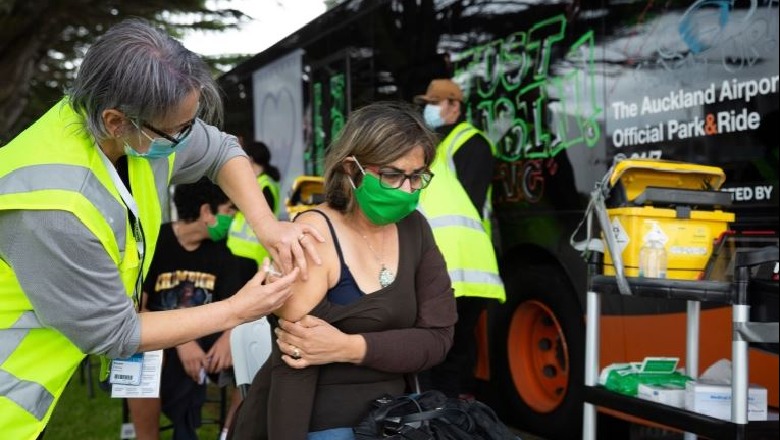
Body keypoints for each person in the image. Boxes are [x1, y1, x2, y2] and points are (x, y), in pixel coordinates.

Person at [0, 18, 322, 440]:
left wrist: (268, 226)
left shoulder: (128, 127)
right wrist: (238, 311)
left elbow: (222, 149)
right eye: (176, 130)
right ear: (115, 120)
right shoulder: (55, 209)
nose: (187, 138)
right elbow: (117, 333)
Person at [229, 101, 458, 440]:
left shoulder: (415, 228)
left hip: (398, 420)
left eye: (417, 177)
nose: (407, 190)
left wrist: (345, 346)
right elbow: (294, 364)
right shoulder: (313, 234)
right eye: (393, 176)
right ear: (352, 169)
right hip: (324, 422)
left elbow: (438, 339)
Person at [127, 178, 244, 440]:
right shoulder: (155, 244)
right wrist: (181, 340)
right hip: (159, 337)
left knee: (252, 352)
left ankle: (229, 434)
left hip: (208, 340)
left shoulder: (223, 254)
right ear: (206, 212)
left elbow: (238, 307)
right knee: (142, 354)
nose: (233, 218)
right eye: (228, 210)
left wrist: (228, 337)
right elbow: (137, 310)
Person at [413, 78, 506, 399]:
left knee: (451, 347)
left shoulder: (470, 142)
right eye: (427, 103)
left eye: (435, 103)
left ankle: (449, 415)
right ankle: (449, 414)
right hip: (447, 260)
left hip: (461, 259)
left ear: (455, 105)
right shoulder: (431, 146)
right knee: (448, 346)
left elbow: (468, 202)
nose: (429, 109)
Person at [227, 140, 282, 280]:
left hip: (252, 256)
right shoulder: (258, 182)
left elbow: (261, 213)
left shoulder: (264, 184)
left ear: (249, 159)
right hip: (240, 254)